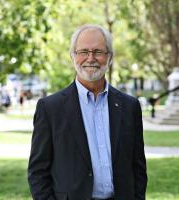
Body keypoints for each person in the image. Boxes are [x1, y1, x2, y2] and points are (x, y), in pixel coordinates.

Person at [28, 24, 147, 200]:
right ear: (73, 56)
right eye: (83, 51)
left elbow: (138, 167)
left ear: (110, 57)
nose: (90, 58)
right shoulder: (50, 108)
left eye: (98, 52)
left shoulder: (130, 106)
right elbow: (38, 172)